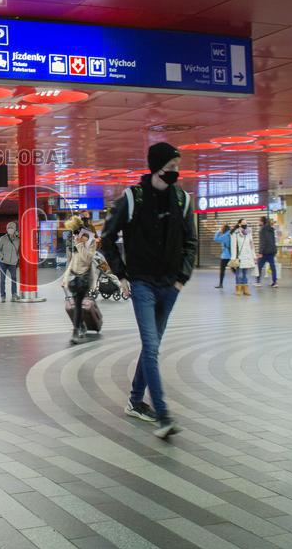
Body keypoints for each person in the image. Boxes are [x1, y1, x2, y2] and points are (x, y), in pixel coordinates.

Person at [101, 142, 197, 439]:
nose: (175, 173)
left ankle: (134, 401)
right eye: (170, 168)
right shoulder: (133, 198)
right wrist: (122, 274)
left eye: (177, 168)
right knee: (152, 347)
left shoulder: (182, 199)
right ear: (156, 168)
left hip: (170, 285)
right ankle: (163, 415)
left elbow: (191, 242)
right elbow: (106, 238)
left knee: (151, 344)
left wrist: (182, 278)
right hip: (142, 283)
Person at [61, 218, 98, 344]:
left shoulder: (90, 241)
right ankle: (81, 326)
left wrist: (80, 244)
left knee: (77, 304)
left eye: (76, 232)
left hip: (84, 278)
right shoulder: (76, 240)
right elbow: (73, 261)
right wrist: (65, 277)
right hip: (74, 277)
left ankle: (76, 330)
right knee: (77, 305)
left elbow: (87, 259)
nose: (75, 235)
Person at [0, 222, 20, 302]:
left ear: (15, 229)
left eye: (12, 228)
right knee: (2, 279)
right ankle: (3, 296)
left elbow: (19, 251)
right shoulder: (3, 238)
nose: (10, 229)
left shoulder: (18, 240)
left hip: (13, 263)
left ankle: (14, 294)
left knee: (14, 278)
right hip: (3, 262)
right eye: (9, 228)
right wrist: (1, 258)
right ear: (6, 229)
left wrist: (17, 259)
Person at [230, 222, 256, 296]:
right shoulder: (235, 233)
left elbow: (251, 245)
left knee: (245, 274)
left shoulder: (248, 233)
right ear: (239, 224)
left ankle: (245, 289)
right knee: (239, 274)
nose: (245, 224)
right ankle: (238, 289)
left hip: (247, 256)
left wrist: (253, 256)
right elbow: (233, 246)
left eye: (246, 223)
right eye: (244, 223)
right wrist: (233, 258)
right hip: (239, 257)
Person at [255, 216, 278, 288]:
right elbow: (273, 240)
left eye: (259, 220)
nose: (258, 222)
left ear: (262, 222)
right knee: (273, 267)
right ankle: (275, 282)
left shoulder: (262, 230)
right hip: (272, 251)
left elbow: (263, 242)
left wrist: (260, 252)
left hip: (264, 252)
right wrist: (275, 250)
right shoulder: (271, 229)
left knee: (259, 267)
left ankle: (258, 281)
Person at [213, 224, 232, 289]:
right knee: (235, 270)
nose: (221, 229)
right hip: (232, 255)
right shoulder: (231, 234)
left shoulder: (225, 235)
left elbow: (216, 239)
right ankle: (241, 283)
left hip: (225, 256)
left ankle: (221, 284)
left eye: (222, 228)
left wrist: (218, 231)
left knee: (222, 271)